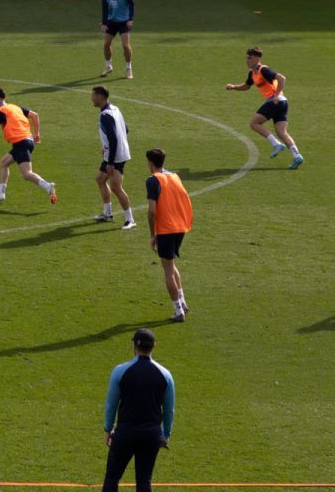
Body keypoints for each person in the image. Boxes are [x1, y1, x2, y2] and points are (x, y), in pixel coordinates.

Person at [101, 327, 174, 492]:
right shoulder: (165, 375)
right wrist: (166, 434)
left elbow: (111, 404)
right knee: (144, 480)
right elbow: (169, 409)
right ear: (154, 346)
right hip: (151, 434)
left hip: (125, 432)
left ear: (134, 346)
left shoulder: (120, 371)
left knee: (112, 477)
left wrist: (108, 428)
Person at [224, 47, 303, 169]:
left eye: (250, 58)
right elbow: (246, 86)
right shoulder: (252, 73)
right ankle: (297, 156)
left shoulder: (263, 70)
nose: (247, 60)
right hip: (282, 103)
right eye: (246, 58)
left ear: (257, 58)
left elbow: (282, 78)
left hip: (275, 101)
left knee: (254, 124)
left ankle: (276, 144)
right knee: (282, 132)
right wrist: (234, 87)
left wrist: (276, 95)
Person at [0, 86, 57, 205]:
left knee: (27, 174)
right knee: (3, 163)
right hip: (27, 141)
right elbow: (35, 115)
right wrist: (36, 134)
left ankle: (48, 186)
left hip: (20, 142)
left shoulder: (0, 112)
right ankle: (0, 193)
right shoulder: (15, 107)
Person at [143, 147, 192, 323]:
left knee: (168, 270)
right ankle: (183, 302)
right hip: (180, 226)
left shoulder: (152, 181)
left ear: (150, 163)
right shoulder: (174, 176)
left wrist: (152, 234)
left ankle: (178, 311)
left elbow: (152, 211)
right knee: (171, 265)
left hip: (166, 229)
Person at [92, 84, 133, 228]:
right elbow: (125, 129)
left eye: (93, 95)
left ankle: (130, 219)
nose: (92, 99)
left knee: (116, 187)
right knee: (100, 179)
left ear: (100, 96)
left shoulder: (105, 116)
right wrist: (108, 148)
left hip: (116, 157)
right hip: (114, 153)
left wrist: (110, 162)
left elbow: (114, 138)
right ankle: (107, 213)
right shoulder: (114, 108)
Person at [100, 0, 135, 78]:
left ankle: (128, 68)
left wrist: (130, 19)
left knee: (125, 46)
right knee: (106, 45)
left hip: (124, 22)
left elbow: (131, 4)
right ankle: (108, 66)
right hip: (111, 21)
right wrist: (104, 22)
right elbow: (105, 7)